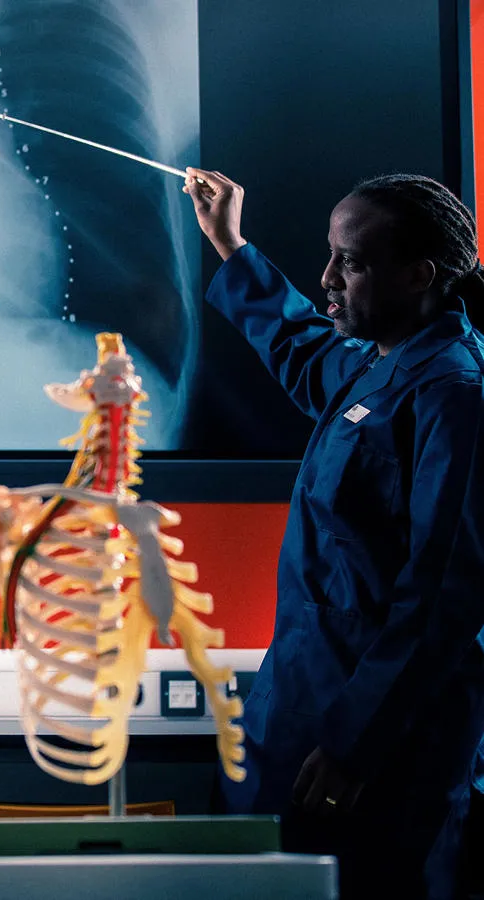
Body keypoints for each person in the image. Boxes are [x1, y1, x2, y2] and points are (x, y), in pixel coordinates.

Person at [183, 169, 484, 899]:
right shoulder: (377, 363)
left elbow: (440, 597)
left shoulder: (453, 393)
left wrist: (357, 745)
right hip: (301, 701)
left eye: (349, 261)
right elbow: (302, 347)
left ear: (420, 275)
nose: (327, 278)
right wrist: (231, 244)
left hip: (382, 737)